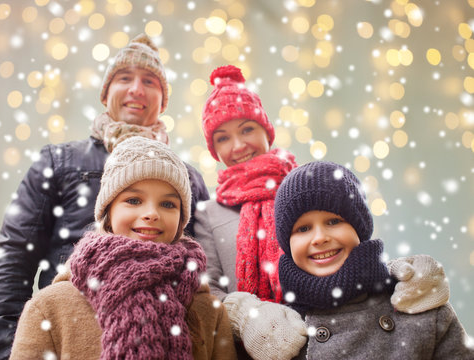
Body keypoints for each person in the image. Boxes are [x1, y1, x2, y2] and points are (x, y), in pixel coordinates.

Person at [193, 65, 451, 359]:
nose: (238, 145)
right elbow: (207, 290)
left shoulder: (306, 185)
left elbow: (354, 247)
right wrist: (248, 315)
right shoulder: (209, 213)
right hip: (253, 348)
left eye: (247, 129)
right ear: (213, 149)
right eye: (223, 138)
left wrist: (402, 277)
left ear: (266, 130)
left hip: (323, 324)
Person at [0, 35, 209, 360]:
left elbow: (206, 270)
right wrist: (10, 351)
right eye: (124, 78)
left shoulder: (188, 178)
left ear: (163, 101)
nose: (136, 89)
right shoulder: (59, 162)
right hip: (72, 337)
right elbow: (12, 257)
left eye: (149, 81)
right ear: (105, 94)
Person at [9, 136, 236, 359]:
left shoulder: (208, 311)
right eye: (134, 200)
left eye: (168, 204)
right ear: (109, 212)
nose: (152, 213)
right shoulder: (50, 308)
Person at [273, 161, 473, 359]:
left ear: (359, 228)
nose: (319, 238)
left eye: (334, 221)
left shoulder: (417, 303)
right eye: (303, 229)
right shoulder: (280, 331)